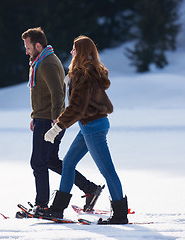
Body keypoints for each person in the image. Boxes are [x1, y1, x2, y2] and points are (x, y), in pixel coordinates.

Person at [44, 35, 129, 224]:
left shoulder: (83, 75)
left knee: (108, 171)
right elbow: (80, 105)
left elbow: (77, 108)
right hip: (90, 125)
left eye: (74, 49)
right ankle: (57, 209)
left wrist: (57, 128)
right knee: (68, 163)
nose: (71, 52)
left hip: (93, 127)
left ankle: (120, 215)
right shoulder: (86, 72)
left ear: (80, 52)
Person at [21, 27, 103, 214]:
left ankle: (41, 205)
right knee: (50, 161)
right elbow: (42, 94)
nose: (26, 51)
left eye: (28, 47)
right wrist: (35, 116)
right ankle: (89, 188)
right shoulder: (40, 61)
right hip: (43, 118)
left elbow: (58, 93)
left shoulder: (48, 63)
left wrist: (56, 122)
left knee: (38, 163)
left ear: (38, 45)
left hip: (49, 120)